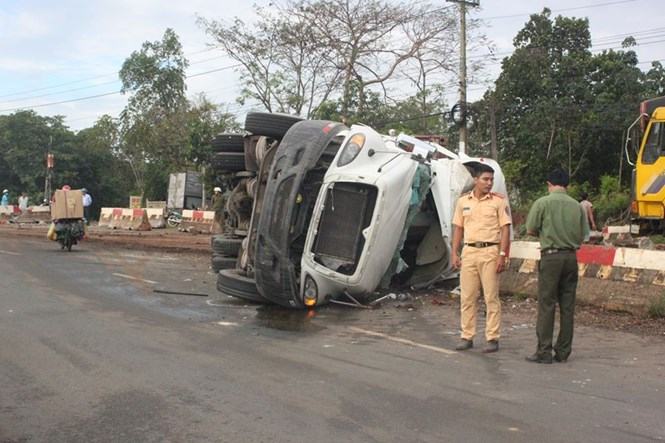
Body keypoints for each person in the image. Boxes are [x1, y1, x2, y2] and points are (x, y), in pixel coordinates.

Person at [525, 169, 589, 364]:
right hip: (571, 258)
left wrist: (547, 234)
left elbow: (530, 229)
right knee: (568, 306)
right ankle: (563, 351)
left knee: (547, 304)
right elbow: (584, 235)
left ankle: (543, 351)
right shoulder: (577, 206)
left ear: (549, 183)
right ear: (567, 185)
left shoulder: (542, 203)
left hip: (551, 257)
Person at [451, 163, 512, 353]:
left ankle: (492, 338)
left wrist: (503, 255)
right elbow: (458, 228)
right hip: (469, 252)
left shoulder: (498, 202)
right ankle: (467, 336)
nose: (489, 183)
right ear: (475, 180)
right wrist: (454, 252)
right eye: (485, 179)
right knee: (467, 297)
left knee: (491, 297)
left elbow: (505, 229)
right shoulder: (463, 202)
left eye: (491, 179)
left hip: (490, 252)